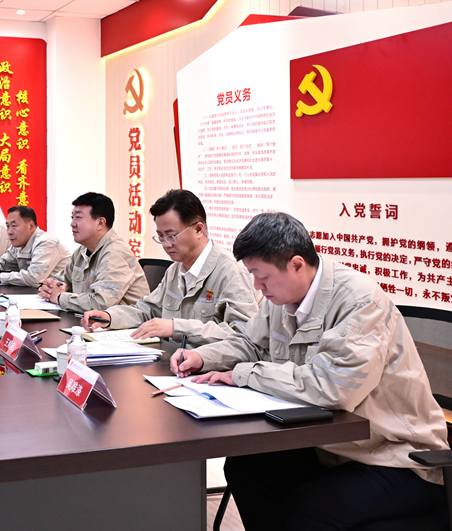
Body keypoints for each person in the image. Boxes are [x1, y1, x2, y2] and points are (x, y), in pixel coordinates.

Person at [173, 212, 450, 530]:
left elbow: (334, 388)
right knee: (246, 469)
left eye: (262, 277)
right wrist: (203, 357)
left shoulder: (359, 302)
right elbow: (250, 343)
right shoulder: (280, 297)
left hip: (395, 456)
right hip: (329, 449)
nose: (257, 287)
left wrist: (246, 374)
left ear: (296, 264)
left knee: (306, 509)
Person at [82, 189, 260, 346]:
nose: (166, 244)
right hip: (171, 361)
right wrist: (110, 317)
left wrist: (177, 328)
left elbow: (243, 334)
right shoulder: (175, 270)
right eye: (160, 236)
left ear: (198, 229)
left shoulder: (231, 273)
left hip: (209, 368)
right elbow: (147, 310)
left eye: (171, 236)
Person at [39, 192, 149, 313]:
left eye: (78, 217)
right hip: (87, 320)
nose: (72, 223)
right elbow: (62, 280)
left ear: (100, 223)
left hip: (124, 323)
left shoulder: (115, 253)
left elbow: (101, 303)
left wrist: (60, 297)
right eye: (72, 217)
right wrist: (50, 287)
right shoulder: (82, 250)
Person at [0, 206, 68, 287]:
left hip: (61, 297)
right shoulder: (19, 243)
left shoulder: (46, 242)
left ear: (31, 226)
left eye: (14, 226)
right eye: (8, 226)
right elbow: (4, 262)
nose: (9, 232)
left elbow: (34, 279)